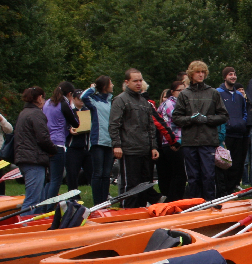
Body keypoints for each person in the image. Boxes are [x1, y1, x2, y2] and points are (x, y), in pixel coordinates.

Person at [173, 60, 228, 201]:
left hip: (208, 140)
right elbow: (176, 117)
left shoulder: (213, 93)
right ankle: (195, 204)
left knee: (208, 175)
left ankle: (209, 202)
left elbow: (224, 115)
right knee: (193, 176)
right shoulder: (184, 94)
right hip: (189, 141)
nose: (201, 74)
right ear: (191, 74)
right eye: (198, 72)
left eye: (203, 72)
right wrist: (191, 119)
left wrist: (207, 119)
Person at [109, 68, 159, 208]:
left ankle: (141, 211)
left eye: (140, 80)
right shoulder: (120, 100)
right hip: (129, 149)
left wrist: (153, 146)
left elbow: (150, 126)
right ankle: (127, 211)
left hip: (145, 149)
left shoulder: (144, 102)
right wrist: (116, 145)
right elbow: (114, 124)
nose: (138, 83)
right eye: (135, 81)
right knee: (130, 185)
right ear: (127, 82)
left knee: (145, 184)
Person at [13, 87, 57, 215]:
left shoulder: (24, 113)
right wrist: (53, 150)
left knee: (37, 199)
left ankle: (35, 222)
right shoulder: (36, 114)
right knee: (33, 199)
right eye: (43, 97)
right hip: (33, 159)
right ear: (39, 98)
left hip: (25, 157)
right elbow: (43, 138)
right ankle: (23, 223)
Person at [79, 76, 115, 205]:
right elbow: (83, 97)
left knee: (106, 174)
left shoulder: (110, 101)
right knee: (98, 173)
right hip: (98, 141)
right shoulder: (94, 101)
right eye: (110, 83)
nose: (113, 85)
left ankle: (104, 201)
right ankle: (97, 202)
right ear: (105, 86)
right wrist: (93, 88)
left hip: (109, 141)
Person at [43, 82, 80, 201]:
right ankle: (49, 206)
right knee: (56, 179)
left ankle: (43, 203)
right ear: (69, 94)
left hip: (46, 142)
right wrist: (72, 107)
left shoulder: (47, 102)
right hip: (58, 143)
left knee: (49, 178)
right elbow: (76, 123)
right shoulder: (63, 104)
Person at [217, 67, 249, 196]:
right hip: (226, 133)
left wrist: (242, 122)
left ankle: (231, 189)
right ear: (225, 77)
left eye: (234, 74)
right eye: (230, 74)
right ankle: (222, 190)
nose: (233, 76)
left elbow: (244, 112)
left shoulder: (239, 95)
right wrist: (225, 124)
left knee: (237, 163)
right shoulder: (218, 93)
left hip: (239, 133)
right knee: (224, 162)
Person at [155, 80, 186, 201]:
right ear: (172, 92)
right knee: (179, 174)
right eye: (180, 90)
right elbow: (179, 120)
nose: (182, 93)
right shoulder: (170, 104)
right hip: (173, 142)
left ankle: (172, 198)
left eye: (184, 90)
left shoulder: (177, 103)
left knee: (175, 173)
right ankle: (174, 199)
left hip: (174, 141)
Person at [66, 91, 93, 193]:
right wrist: (69, 130)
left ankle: (98, 195)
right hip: (73, 147)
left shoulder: (88, 110)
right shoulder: (69, 111)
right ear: (73, 99)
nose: (81, 101)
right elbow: (63, 126)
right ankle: (73, 195)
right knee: (72, 173)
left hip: (87, 147)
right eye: (79, 98)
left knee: (92, 172)